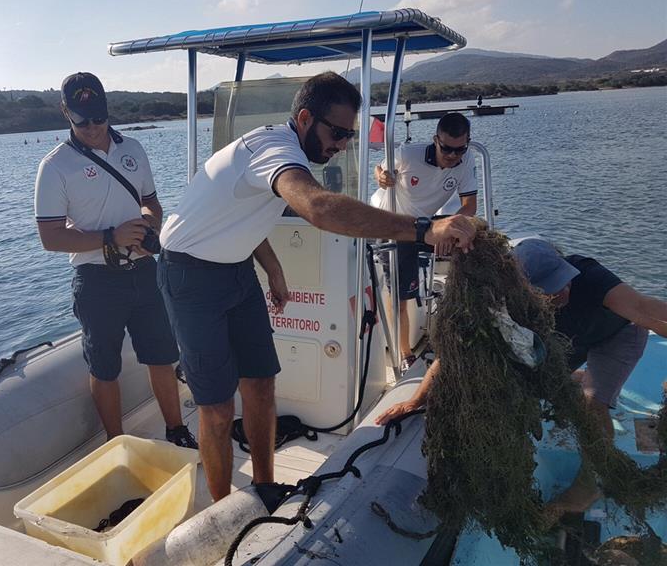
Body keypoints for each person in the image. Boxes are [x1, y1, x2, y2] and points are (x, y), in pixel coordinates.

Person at [158, 71, 478, 501]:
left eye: (350, 135)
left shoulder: (284, 150)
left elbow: (241, 215)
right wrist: (424, 229)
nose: (343, 145)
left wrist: (272, 267)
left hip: (236, 270)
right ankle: (223, 511)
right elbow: (319, 207)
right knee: (216, 409)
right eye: (338, 133)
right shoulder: (275, 148)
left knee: (262, 383)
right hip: (190, 276)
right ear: (306, 118)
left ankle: (265, 488)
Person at [376, 237, 667, 518]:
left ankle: (587, 488)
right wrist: (416, 400)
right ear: (523, 292)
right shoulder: (503, 304)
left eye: (563, 280)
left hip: (617, 335)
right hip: (567, 341)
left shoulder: (589, 275)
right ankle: (581, 376)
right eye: (550, 289)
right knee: (528, 384)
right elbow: (453, 355)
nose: (563, 291)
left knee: (593, 404)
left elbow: (644, 309)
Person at [34, 72, 196, 448]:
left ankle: (176, 430)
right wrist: (111, 237)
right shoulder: (55, 166)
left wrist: (148, 227)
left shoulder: (133, 149)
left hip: (144, 271)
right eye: (82, 120)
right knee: (104, 366)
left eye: (99, 117)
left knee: (162, 355)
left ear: (108, 110)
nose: (92, 127)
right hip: (96, 279)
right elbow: (50, 237)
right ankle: (115, 442)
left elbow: (151, 203)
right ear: (65, 113)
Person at [372, 113, 478, 369]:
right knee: (400, 294)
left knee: (475, 245)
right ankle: (406, 354)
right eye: (447, 148)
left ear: (467, 144)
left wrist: (448, 231)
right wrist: (382, 177)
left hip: (426, 223)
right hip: (393, 222)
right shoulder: (408, 154)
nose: (452, 155)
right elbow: (379, 169)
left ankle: (464, 330)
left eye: (459, 149)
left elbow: (469, 207)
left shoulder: (466, 161)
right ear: (435, 140)